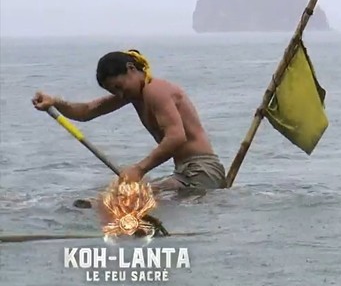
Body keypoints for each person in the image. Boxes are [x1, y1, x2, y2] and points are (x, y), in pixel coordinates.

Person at [31, 49, 227, 191]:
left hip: (201, 172)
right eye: (113, 91)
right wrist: (54, 102)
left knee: (129, 198)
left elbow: (176, 137)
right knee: (117, 195)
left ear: (131, 68)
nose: (120, 94)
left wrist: (138, 169)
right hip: (185, 171)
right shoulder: (134, 95)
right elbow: (87, 111)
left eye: (119, 86)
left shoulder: (155, 90)